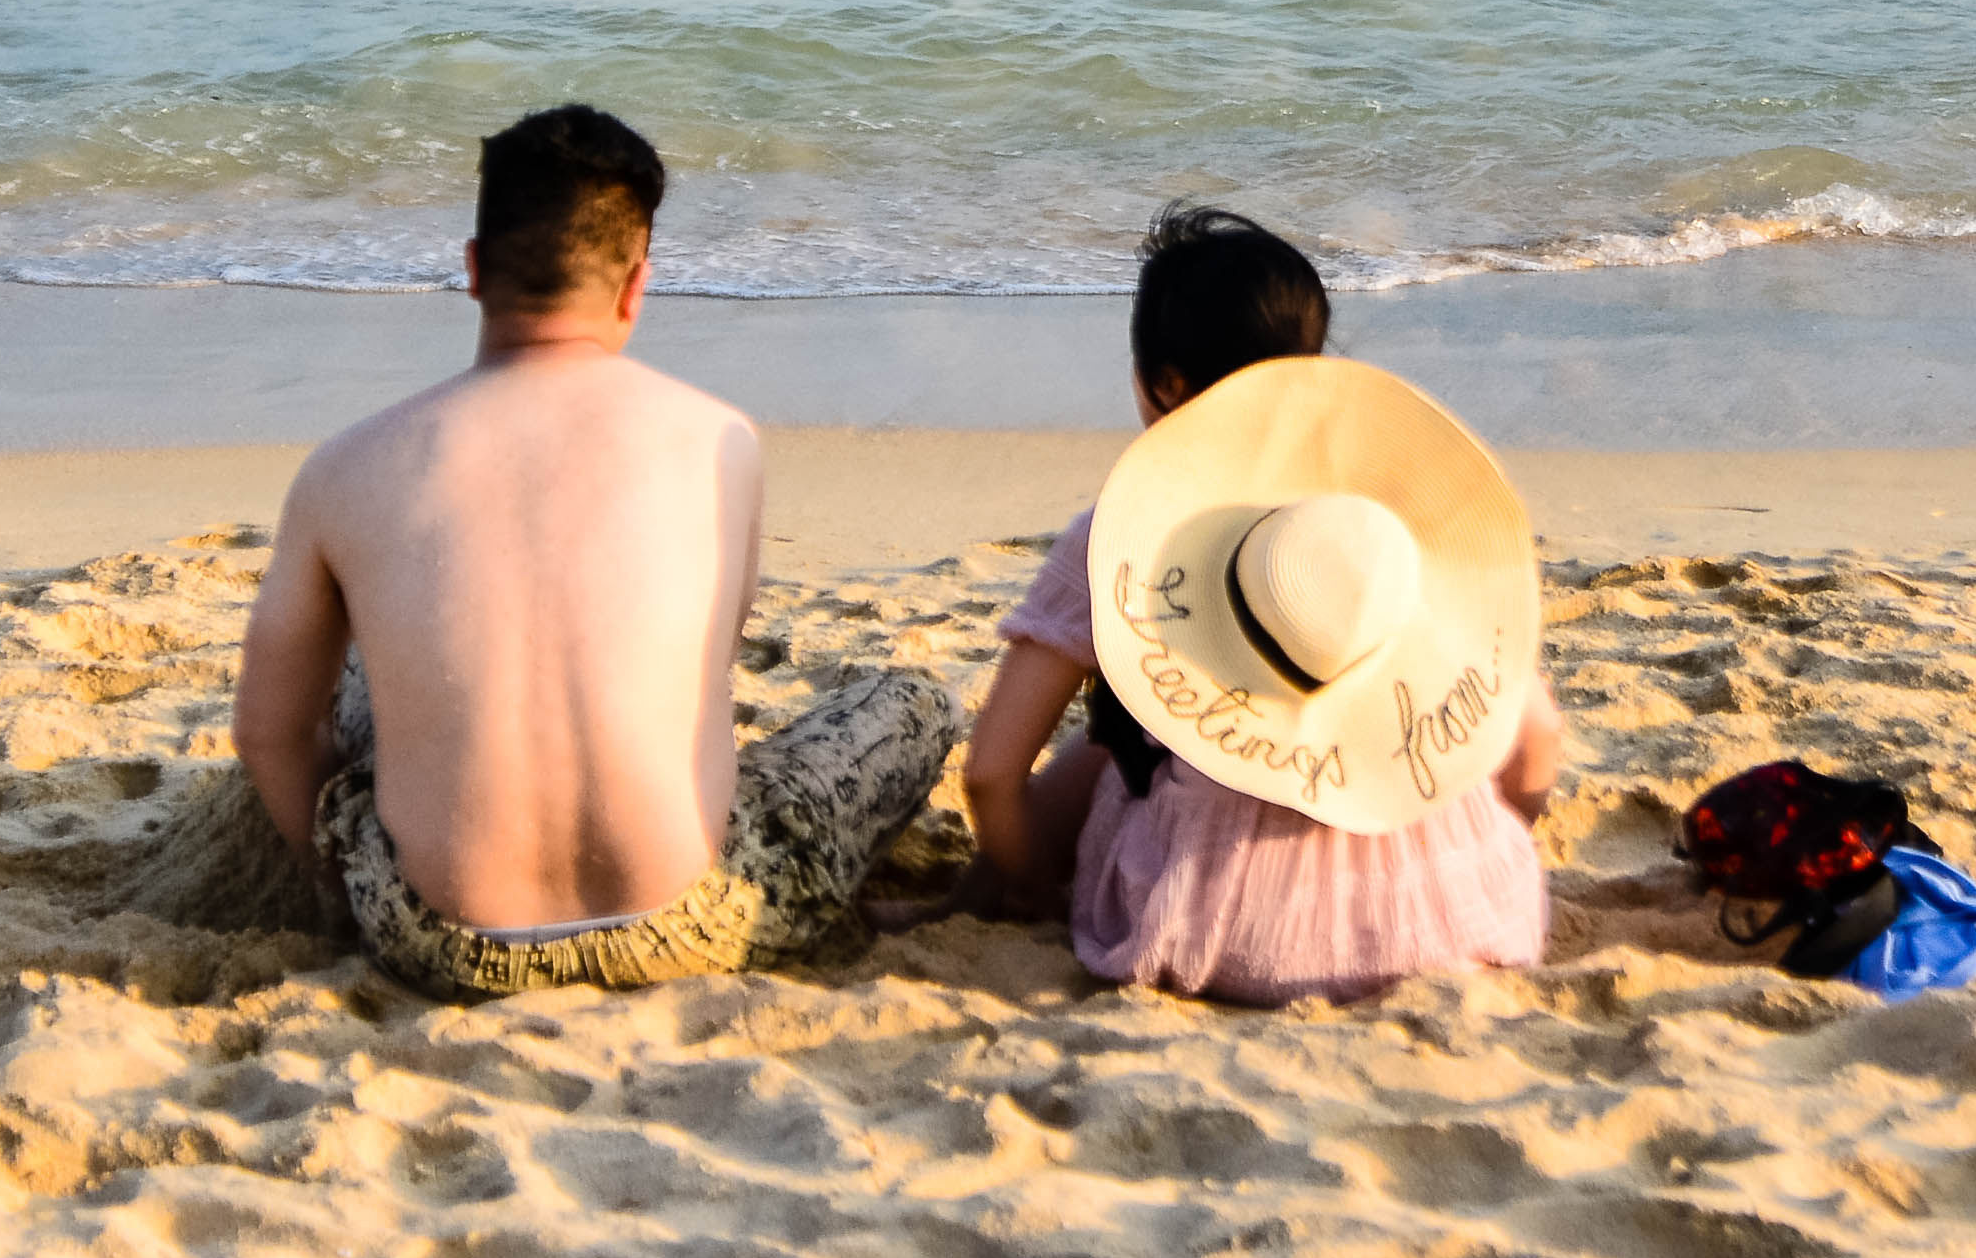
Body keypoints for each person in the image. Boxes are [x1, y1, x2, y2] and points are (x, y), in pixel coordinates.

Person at [230, 104, 960, 1000]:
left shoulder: (346, 466)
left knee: (358, 674)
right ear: (634, 284)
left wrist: (342, 883)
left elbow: (266, 730)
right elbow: (706, 674)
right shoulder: (718, 439)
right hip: (690, 922)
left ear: (471, 269)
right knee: (919, 703)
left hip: (436, 941)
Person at [942, 205, 1565, 1004]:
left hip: (1218, 930)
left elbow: (992, 773)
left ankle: (987, 896)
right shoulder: (1386, 521)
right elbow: (1536, 734)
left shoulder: (1118, 537)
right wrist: (1460, 849)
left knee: (1108, 752)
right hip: (1472, 924)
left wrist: (1033, 887)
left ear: (1163, 383)